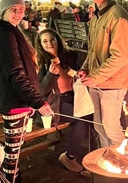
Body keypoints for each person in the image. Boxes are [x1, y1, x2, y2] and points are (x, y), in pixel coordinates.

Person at [0, 0, 53, 183]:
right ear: (3, 11)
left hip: (16, 99)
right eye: (14, 10)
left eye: (21, 10)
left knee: (13, 148)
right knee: (12, 151)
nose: (18, 13)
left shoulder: (9, 30)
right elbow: (15, 72)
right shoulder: (3, 34)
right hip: (14, 99)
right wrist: (38, 101)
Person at [78, 0, 128, 148]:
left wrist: (97, 77)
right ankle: (108, 160)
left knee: (111, 127)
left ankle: (127, 162)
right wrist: (85, 69)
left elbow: (121, 56)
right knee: (99, 126)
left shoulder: (118, 16)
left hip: (114, 81)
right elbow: (93, 50)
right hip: (97, 80)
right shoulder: (97, 16)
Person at [36, 28, 91, 173]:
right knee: (82, 117)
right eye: (45, 41)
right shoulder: (40, 63)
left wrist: (80, 74)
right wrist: (50, 75)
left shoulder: (69, 56)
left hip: (74, 96)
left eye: (52, 39)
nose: (49, 43)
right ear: (40, 44)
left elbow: (79, 73)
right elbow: (40, 91)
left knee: (91, 113)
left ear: (57, 40)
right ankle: (69, 156)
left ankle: (92, 153)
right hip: (55, 102)